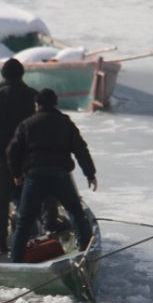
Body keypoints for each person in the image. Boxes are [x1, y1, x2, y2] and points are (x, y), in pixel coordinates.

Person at [6, 88, 98, 263]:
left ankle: (16, 262)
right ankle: (85, 256)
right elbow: (80, 149)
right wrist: (90, 174)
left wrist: (17, 173)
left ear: (37, 104)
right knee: (76, 214)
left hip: (35, 178)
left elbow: (12, 151)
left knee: (24, 221)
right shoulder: (65, 122)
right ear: (55, 103)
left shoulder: (27, 124)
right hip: (60, 177)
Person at [0, 58, 38, 253]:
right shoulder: (32, 96)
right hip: (27, 157)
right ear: (22, 74)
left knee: (1, 199)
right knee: (27, 197)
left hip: (1, 157)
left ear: (3, 75)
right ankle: (32, 238)